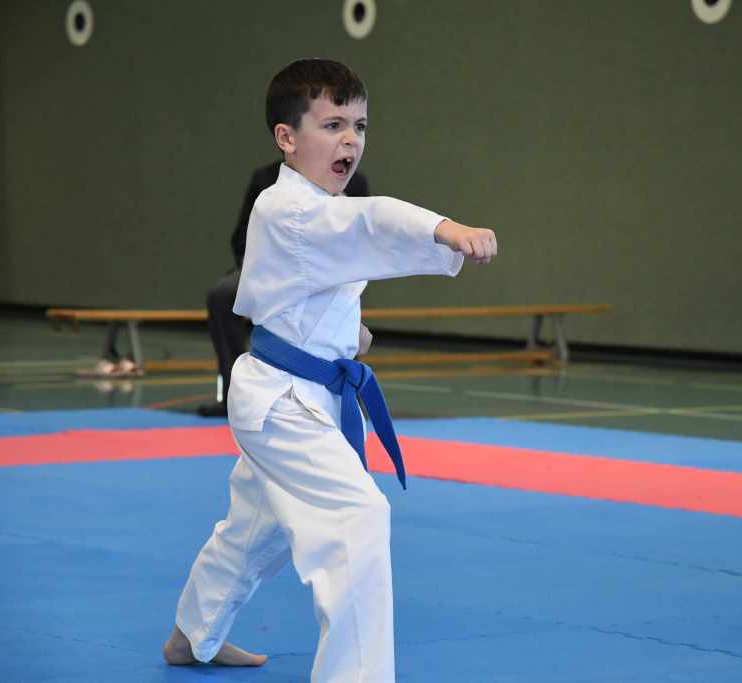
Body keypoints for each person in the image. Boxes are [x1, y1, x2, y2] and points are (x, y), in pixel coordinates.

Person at [162, 58, 497, 681]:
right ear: (286, 138)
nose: (351, 140)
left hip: (300, 392)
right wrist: (446, 229)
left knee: (253, 530)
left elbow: (309, 289)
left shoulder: (315, 207)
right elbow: (372, 222)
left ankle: (191, 634)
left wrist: (349, 336)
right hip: (283, 404)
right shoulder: (288, 208)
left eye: (360, 126)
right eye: (333, 124)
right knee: (356, 519)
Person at [196, 163, 369, 417]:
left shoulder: (353, 182)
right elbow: (242, 237)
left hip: (328, 273)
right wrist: (264, 269)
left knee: (340, 298)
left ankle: (347, 395)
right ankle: (234, 397)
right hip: (272, 268)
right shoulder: (266, 179)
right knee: (222, 295)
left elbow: (361, 240)